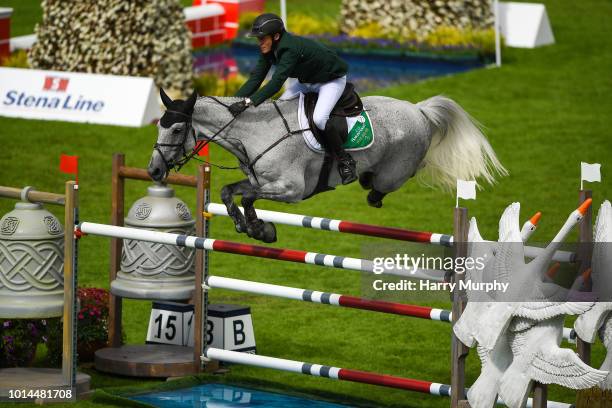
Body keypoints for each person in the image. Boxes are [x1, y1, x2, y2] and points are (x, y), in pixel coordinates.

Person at [229, 13, 357, 185]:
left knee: (319, 119)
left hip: (330, 81)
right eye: (258, 39)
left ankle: (345, 161)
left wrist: (247, 102)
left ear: (276, 36)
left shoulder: (289, 49)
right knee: (279, 107)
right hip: (307, 82)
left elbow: (275, 84)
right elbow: (255, 78)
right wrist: (229, 101)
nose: (259, 43)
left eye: (262, 38)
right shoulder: (270, 49)